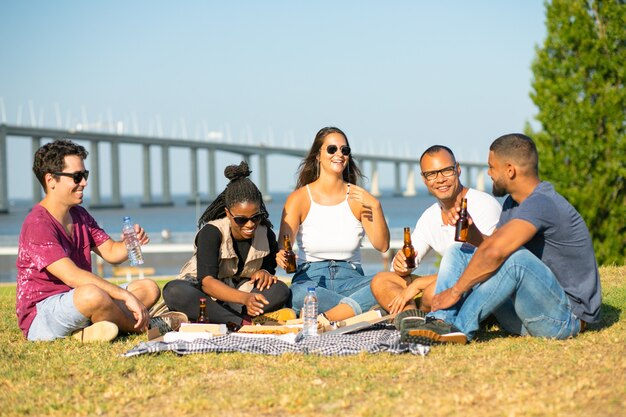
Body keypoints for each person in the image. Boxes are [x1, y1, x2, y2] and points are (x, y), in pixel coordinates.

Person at [401, 134, 602, 345]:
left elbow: (496, 253)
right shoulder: (512, 204)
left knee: (515, 260)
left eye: (491, 167)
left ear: (510, 170)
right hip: (526, 313)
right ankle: (442, 322)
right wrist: (473, 235)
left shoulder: (542, 203)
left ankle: (459, 328)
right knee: (458, 250)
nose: (488, 174)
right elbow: (490, 245)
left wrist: (455, 291)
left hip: (563, 319)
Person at [16, 139, 162, 342]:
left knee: (148, 288)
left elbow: (111, 252)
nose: (84, 182)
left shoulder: (80, 215)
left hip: (80, 298)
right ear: (51, 180)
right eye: (77, 177)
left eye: (84, 175)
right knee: (93, 295)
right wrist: (125, 296)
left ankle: (92, 328)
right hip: (43, 314)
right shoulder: (37, 224)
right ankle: (145, 326)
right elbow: (73, 277)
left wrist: (129, 243)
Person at [276, 126, 390, 322]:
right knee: (298, 293)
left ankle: (325, 315)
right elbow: (282, 249)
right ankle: (361, 310)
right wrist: (282, 257)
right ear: (317, 155)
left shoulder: (358, 197)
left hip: (351, 278)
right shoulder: (299, 198)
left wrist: (376, 206)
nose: (339, 154)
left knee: (390, 282)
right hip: (310, 278)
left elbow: (382, 245)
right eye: (332, 149)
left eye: (344, 150)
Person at [371, 145, 502, 315]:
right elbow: (408, 262)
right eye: (431, 174)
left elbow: (489, 265)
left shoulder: (484, 205)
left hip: (479, 285)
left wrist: (419, 284)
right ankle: (410, 318)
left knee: (433, 292)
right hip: (447, 284)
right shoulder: (429, 217)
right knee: (381, 280)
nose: (440, 179)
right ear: (424, 179)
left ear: (458, 169)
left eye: (446, 170)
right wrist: (401, 266)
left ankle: (410, 312)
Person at [162, 161, 293, 328]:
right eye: (241, 220)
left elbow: (269, 267)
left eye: (256, 216)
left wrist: (265, 272)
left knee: (280, 289)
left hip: (242, 297)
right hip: (209, 295)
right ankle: (243, 322)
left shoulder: (265, 233)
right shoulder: (211, 232)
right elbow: (207, 283)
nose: (250, 224)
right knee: (173, 291)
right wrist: (245, 298)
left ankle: (224, 320)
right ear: (227, 213)